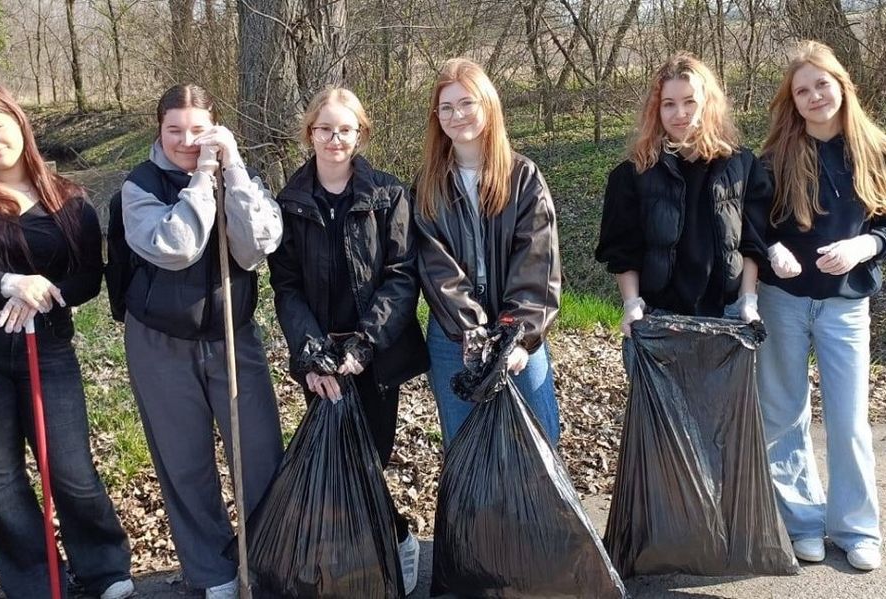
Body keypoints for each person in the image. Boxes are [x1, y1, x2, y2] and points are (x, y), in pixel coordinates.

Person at [0, 83, 133, 599]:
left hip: (47, 343)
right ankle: (36, 581)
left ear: (20, 122)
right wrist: (5, 284)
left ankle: (104, 569)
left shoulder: (70, 198)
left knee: (71, 468)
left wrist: (44, 292)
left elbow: (88, 277)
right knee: (1, 474)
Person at [116, 84, 284, 599]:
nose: (187, 141)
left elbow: (256, 247)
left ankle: (267, 558)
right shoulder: (139, 186)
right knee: (184, 461)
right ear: (159, 129)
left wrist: (231, 172)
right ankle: (213, 572)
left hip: (234, 335)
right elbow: (178, 246)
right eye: (174, 130)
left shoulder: (238, 175)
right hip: (160, 341)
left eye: (198, 130)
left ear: (215, 127)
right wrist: (201, 179)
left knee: (259, 453)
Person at [267, 87, 429, 592]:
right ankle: (351, 565)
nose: (334, 139)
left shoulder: (388, 194)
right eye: (324, 129)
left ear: (360, 133)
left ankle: (395, 541)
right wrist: (310, 354)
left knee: (367, 464)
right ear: (309, 133)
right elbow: (286, 285)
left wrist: (365, 343)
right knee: (330, 465)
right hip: (319, 360)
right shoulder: (289, 203)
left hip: (374, 360)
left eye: (345, 129)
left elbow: (402, 277)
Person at [757, 41, 885, 571]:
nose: (813, 96)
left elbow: (883, 223)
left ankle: (857, 528)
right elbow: (750, 224)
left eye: (821, 85)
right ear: (792, 99)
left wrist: (866, 246)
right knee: (784, 415)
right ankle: (802, 523)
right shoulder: (774, 156)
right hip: (782, 301)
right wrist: (773, 249)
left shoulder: (874, 149)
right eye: (802, 89)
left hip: (845, 306)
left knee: (849, 418)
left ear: (841, 85)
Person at [414, 57, 562, 446]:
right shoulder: (428, 185)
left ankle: (535, 511)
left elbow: (538, 262)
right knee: (466, 449)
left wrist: (515, 334)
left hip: (517, 333)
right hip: (453, 337)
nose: (456, 115)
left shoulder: (524, 178)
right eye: (446, 107)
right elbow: (435, 265)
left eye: (466, 103)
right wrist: (472, 331)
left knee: (538, 440)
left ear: (488, 106)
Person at [595, 52, 768, 330]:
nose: (680, 114)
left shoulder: (742, 165)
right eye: (669, 104)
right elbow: (623, 249)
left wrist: (748, 300)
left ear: (708, 105)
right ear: (656, 110)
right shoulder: (632, 174)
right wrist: (631, 305)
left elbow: (752, 240)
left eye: (690, 102)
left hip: (729, 314)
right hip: (658, 315)